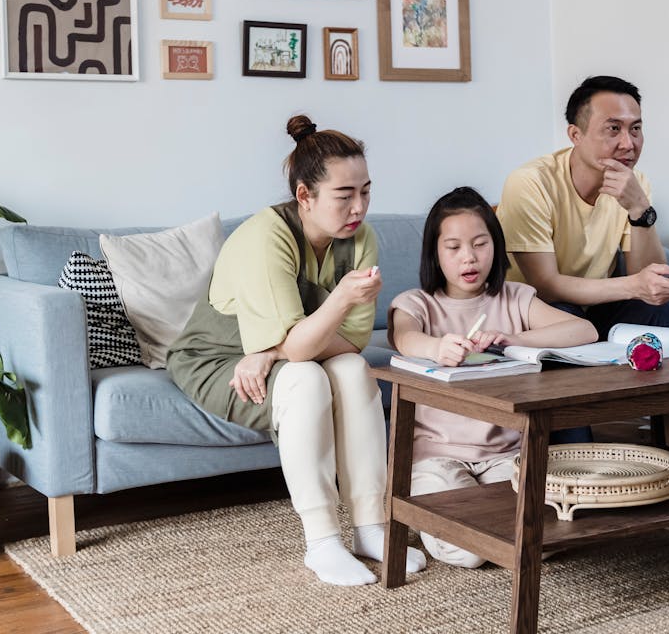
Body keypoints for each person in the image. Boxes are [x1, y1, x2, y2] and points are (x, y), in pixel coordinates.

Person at [167, 115, 426, 586]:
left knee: (351, 368)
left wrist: (274, 350)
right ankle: (322, 540)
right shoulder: (265, 236)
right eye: (344, 196)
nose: (359, 207)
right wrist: (334, 306)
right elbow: (308, 346)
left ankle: (371, 526)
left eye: (366, 191)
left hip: (282, 355)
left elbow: (352, 341)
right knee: (306, 379)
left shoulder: (361, 238)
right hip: (219, 359)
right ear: (305, 196)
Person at [387, 187, 597, 567]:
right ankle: (462, 521)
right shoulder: (417, 303)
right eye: (453, 247)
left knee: (550, 533)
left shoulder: (514, 298)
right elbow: (404, 337)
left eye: (480, 244)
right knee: (470, 550)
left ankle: (488, 527)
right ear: (435, 253)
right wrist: (436, 348)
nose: (469, 257)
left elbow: (584, 330)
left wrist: (513, 339)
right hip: (437, 458)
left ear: (495, 247)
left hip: (508, 457)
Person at [496, 75, 669, 442]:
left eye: (636, 129)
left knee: (663, 311)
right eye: (612, 129)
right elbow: (545, 284)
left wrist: (639, 209)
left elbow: (644, 272)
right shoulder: (531, 182)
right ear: (575, 134)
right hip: (535, 312)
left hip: (594, 307)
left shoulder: (634, 183)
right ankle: (575, 458)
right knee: (567, 319)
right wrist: (634, 285)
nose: (627, 143)